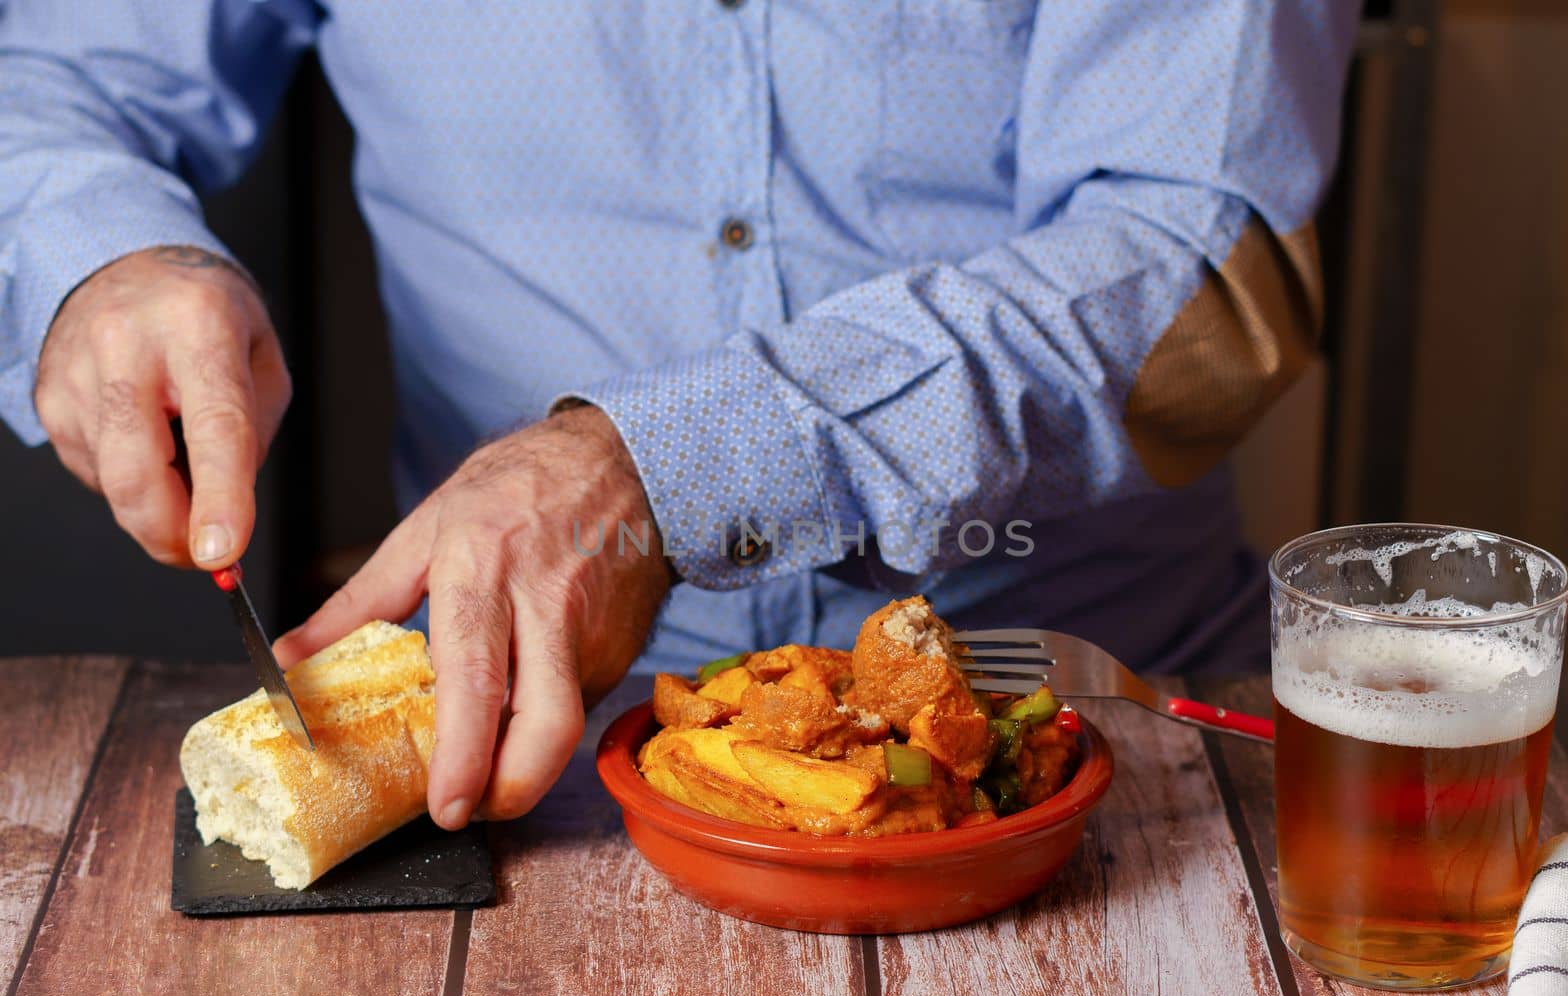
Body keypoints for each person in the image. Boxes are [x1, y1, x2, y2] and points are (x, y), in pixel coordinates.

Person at [0, 3, 1358, 830]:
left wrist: (675, 469)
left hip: (1098, 730)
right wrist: (99, 255)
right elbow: (54, 83)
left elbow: (1200, 262)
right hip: (511, 753)